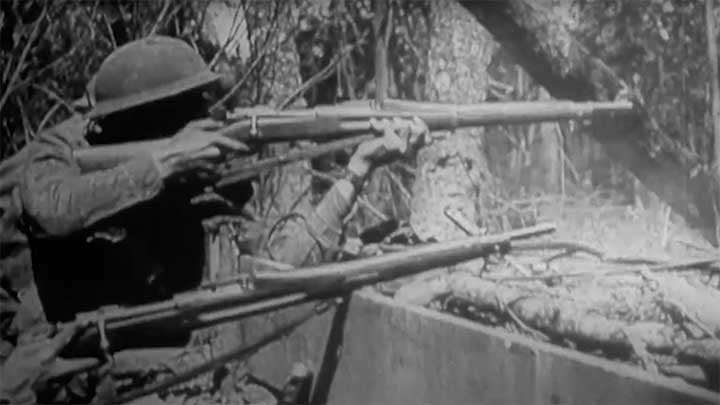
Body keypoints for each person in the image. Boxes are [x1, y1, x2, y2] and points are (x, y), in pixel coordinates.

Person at [5, 35, 427, 404]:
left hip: (166, 373)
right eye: (185, 113)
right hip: (60, 372)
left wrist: (356, 173)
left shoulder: (197, 192)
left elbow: (269, 277)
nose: (201, 120)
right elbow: (51, 211)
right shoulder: (61, 150)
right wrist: (164, 162)